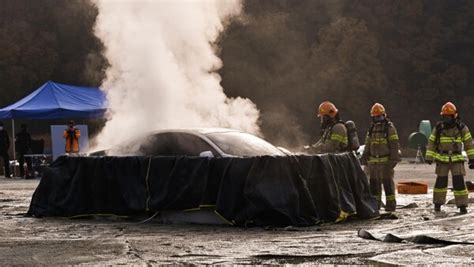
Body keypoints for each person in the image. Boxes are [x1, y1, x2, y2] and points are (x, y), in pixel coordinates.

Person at [425, 102, 474, 214]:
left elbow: (468, 143)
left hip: (456, 158)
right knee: (440, 183)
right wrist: (429, 156)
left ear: (454, 116)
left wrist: (472, 158)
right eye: (445, 116)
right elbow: (432, 142)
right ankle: (437, 204)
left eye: (449, 116)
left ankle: (462, 205)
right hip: (442, 159)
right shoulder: (438, 128)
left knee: (459, 183)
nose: (447, 119)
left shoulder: (461, 127)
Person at [361, 103, 400, 212]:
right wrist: (365, 155)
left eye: (380, 116)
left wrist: (393, 159)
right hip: (373, 163)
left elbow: (394, 145)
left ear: (384, 115)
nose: (378, 119)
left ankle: (390, 206)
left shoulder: (390, 128)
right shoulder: (371, 128)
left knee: (388, 185)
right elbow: (368, 143)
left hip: (386, 162)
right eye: (376, 117)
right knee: (374, 186)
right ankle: (375, 206)